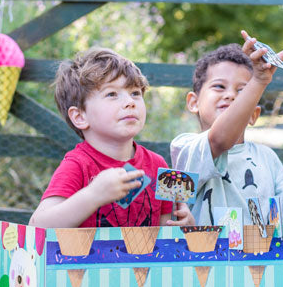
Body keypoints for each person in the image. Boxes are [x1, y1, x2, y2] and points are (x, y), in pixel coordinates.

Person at [30, 48, 193, 228]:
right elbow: (38, 226)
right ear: (80, 117)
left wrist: (185, 224)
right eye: (112, 94)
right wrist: (93, 195)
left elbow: (168, 230)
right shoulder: (77, 165)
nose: (130, 102)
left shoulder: (158, 164)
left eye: (135, 93)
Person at [171, 31, 283, 225]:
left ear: (253, 114)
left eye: (242, 91)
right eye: (219, 86)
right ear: (193, 102)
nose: (230, 95)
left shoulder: (268, 159)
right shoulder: (184, 148)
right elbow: (219, 140)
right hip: (202, 255)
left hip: (263, 254)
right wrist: (259, 81)